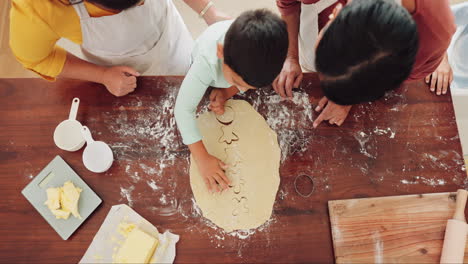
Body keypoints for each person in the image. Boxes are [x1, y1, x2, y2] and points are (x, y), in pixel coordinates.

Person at [274, 0, 456, 127]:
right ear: (337, 13)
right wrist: (290, 56)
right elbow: (288, 4)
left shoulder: (432, 37)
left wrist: (347, 100)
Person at [9, 0, 229, 97]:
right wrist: (102, 75)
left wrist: (208, 11)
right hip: (120, 68)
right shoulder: (36, 7)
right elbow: (38, 59)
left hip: (169, 33)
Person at [174, 9, 288, 192]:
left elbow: (244, 81)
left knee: (241, 81)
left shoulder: (264, 55)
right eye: (237, 82)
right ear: (221, 52)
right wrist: (202, 159)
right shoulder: (206, 61)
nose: (243, 88)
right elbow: (183, 110)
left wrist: (228, 91)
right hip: (202, 73)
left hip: (226, 76)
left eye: (249, 87)